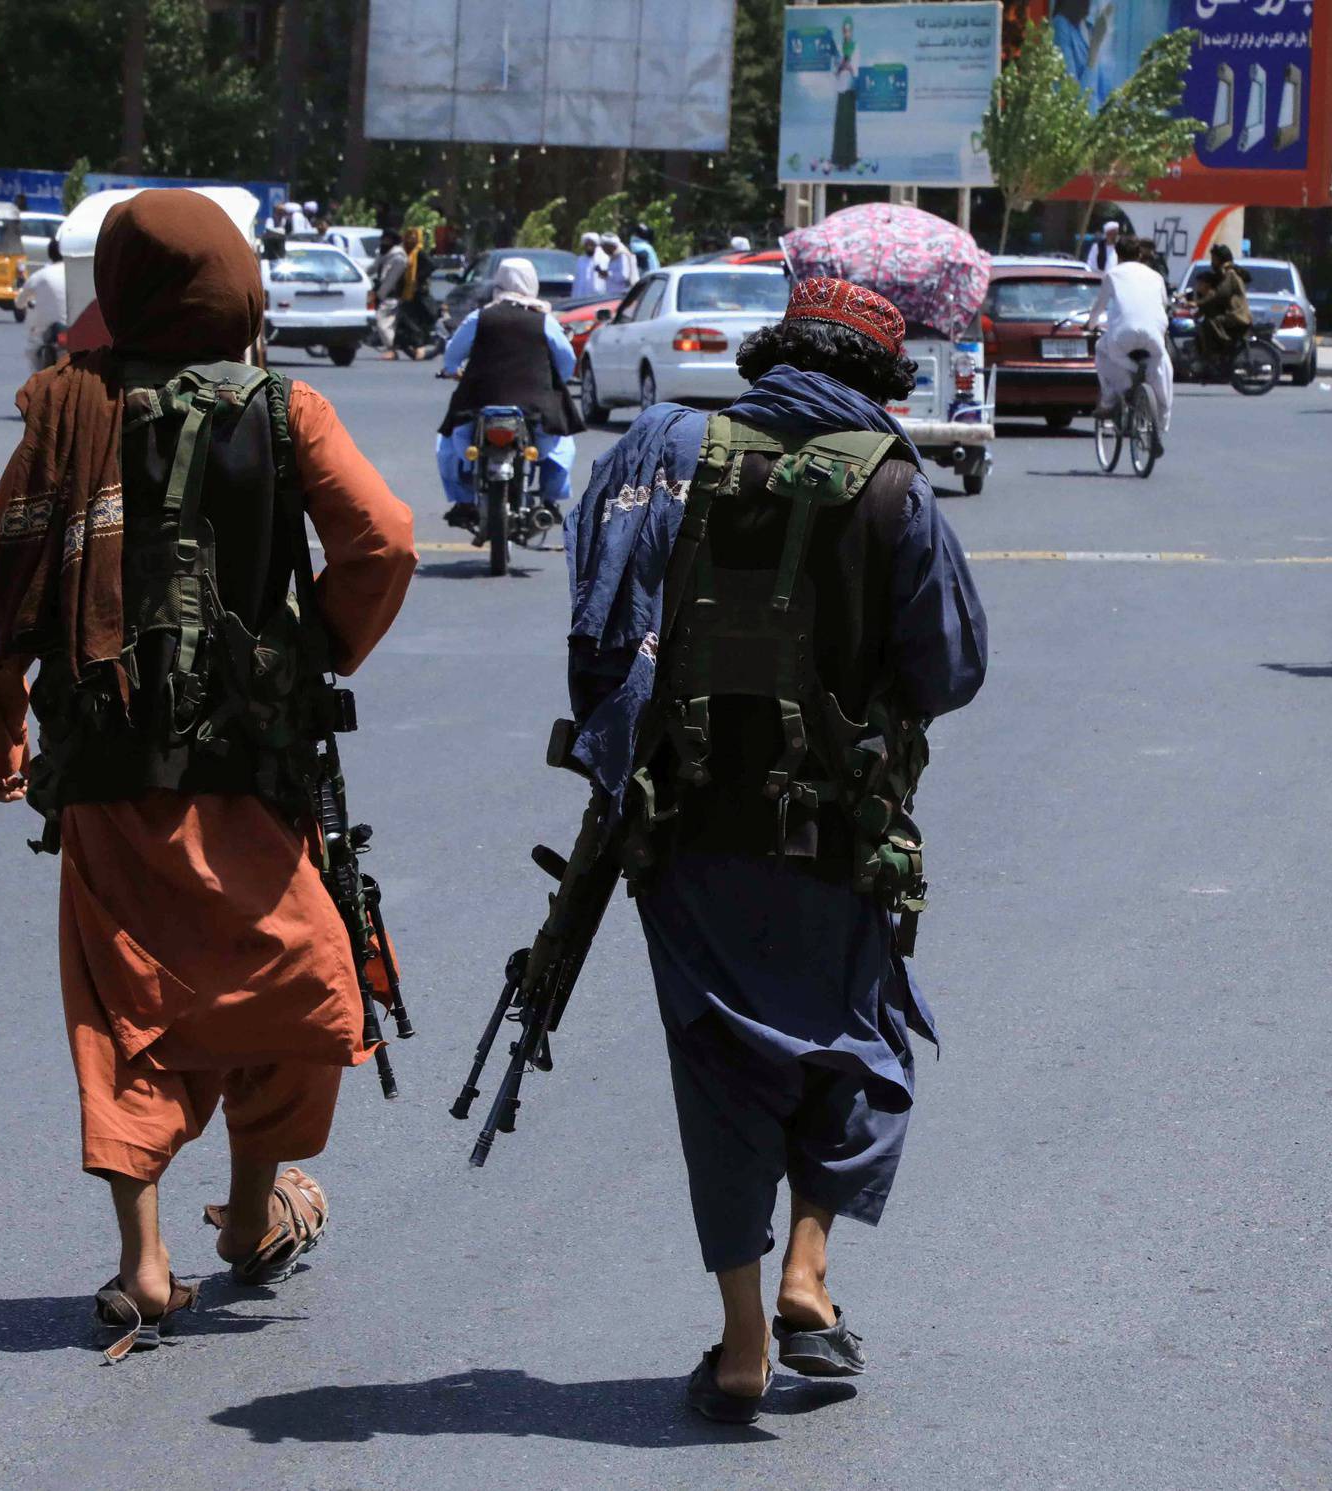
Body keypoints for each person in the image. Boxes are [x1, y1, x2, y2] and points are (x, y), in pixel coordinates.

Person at [0, 189, 416, 1360]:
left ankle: (150, 1257)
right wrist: (309, 653)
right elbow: (386, 543)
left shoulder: (68, 411)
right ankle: (243, 1213)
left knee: (126, 1007)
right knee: (303, 980)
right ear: (236, 285)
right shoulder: (283, 405)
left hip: (107, 766)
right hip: (255, 767)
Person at [563, 276, 987, 1423]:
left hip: (689, 833)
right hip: (839, 837)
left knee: (721, 1070)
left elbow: (600, 630)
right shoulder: (896, 484)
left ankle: (745, 1342)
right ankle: (811, 1269)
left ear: (773, 354)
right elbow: (951, 669)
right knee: (857, 1040)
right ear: (879, 382)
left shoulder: (669, 449)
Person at [434, 257, 579, 528]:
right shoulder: (544, 319)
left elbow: (453, 355)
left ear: (498, 284)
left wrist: (453, 369)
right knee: (561, 445)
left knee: (448, 444)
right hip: (535, 405)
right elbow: (567, 361)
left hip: (479, 401)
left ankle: (464, 502)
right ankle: (549, 502)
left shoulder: (481, 317)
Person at [1087, 233, 1172, 444]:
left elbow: (1098, 307)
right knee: (1162, 364)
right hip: (1154, 335)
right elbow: (1164, 304)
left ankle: (1109, 400)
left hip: (1122, 336)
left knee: (1101, 350)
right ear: (1140, 254)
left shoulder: (1113, 275)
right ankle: (1161, 422)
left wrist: (1090, 325)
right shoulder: (1156, 276)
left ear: (1117, 254)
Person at [1190, 244, 1251, 368]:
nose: (1212, 262)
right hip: (1232, 313)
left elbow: (1219, 295)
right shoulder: (1224, 273)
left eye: (1214, 259)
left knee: (1210, 322)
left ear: (1221, 259)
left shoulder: (1230, 274)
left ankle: (1216, 356)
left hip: (1237, 315)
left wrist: (1197, 303)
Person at [16, 233, 68, 375]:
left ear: (49, 254)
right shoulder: (76, 274)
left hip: (48, 330)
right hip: (75, 328)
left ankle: (35, 389)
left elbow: (20, 302)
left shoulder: (40, 275)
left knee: (31, 351)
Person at [393, 227, 436, 361]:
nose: (410, 238)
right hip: (407, 293)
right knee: (404, 320)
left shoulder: (419, 253)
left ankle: (419, 347)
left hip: (417, 294)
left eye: (413, 236)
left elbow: (431, 266)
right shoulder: (404, 252)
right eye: (408, 235)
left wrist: (417, 279)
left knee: (413, 321)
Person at [369, 230, 407, 353]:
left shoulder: (398, 258)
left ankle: (391, 349)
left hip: (391, 295)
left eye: (387, 239)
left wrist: (379, 295)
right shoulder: (383, 253)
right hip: (382, 292)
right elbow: (373, 268)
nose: (383, 241)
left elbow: (391, 280)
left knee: (381, 322)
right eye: (383, 239)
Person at [832, 17, 859, 169]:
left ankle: (850, 158)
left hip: (851, 89)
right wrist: (842, 65)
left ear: (852, 31)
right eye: (844, 30)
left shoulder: (856, 46)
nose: (846, 33)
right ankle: (838, 159)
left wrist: (848, 65)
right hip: (841, 89)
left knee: (849, 124)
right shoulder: (838, 46)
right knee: (840, 124)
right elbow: (836, 67)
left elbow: (854, 67)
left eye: (849, 30)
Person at [600, 232, 638, 297]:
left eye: (604, 247)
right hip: (613, 295)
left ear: (610, 246)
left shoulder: (622, 255)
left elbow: (624, 276)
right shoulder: (614, 256)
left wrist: (608, 274)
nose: (603, 250)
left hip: (621, 296)